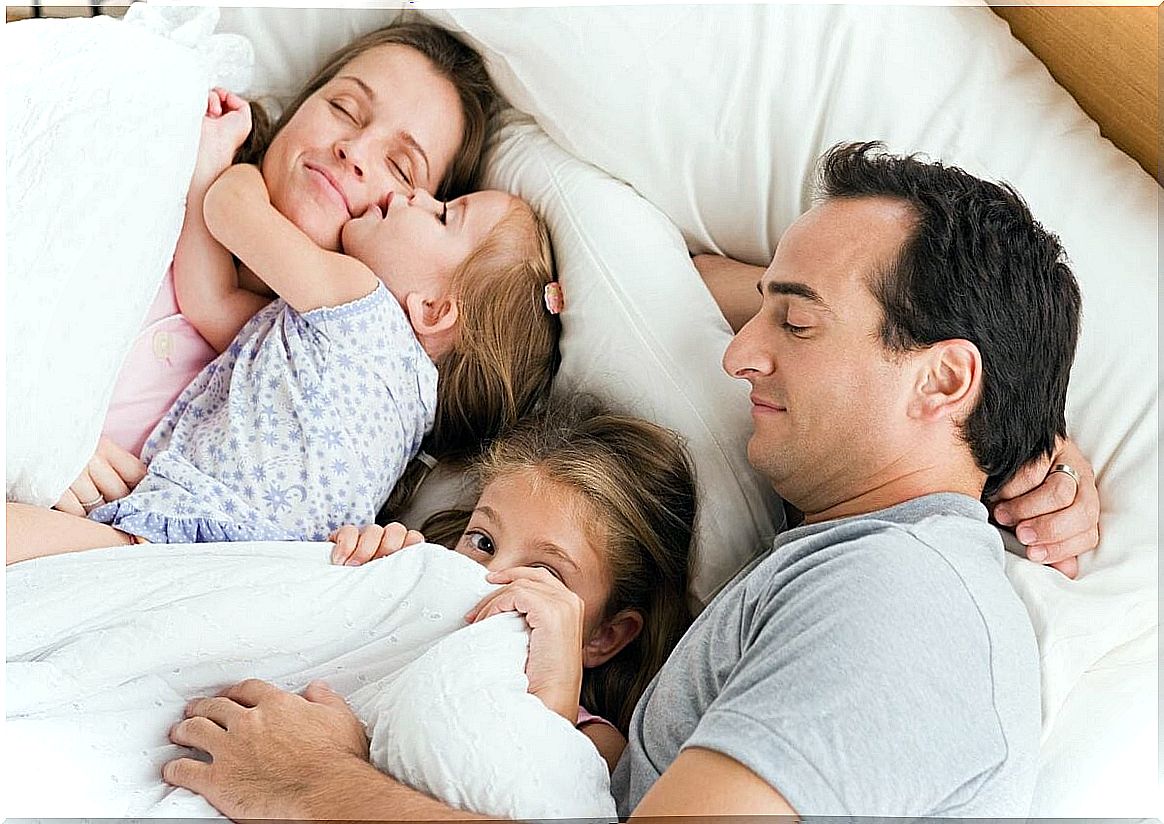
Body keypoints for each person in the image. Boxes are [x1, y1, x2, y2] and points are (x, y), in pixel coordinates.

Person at [159, 142, 1086, 818]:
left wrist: (315, 786)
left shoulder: (898, 601)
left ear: (944, 379)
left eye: (795, 325)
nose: (739, 355)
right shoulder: (861, 566)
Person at [50, 21, 505, 518]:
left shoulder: (296, 365)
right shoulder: (160, 162)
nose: (354, 151)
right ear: (298, 107)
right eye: (344, 109)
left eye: (401, 168)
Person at [327, 396, 697, 772]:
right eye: (483, 542)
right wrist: (359, 582)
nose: (492, 580)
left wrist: (553, 698)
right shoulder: (416, 599)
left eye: (545, 574)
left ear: (605, 636)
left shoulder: (593, 744)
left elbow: (529, 795)